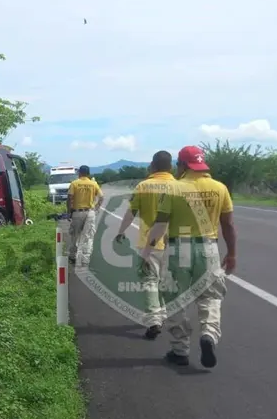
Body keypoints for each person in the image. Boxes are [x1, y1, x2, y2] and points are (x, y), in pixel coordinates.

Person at [140, 145, 237, 368]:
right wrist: (232, 253)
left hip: (179, 248)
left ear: (183, 165)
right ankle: (209, 334)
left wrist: (147, 252)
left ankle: (180, 349)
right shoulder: (220, 188)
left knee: (175, 298)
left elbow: (160, 225)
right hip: (208, 248)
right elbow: (229, 225)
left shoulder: (173, 189)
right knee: (210, 297)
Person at [115, 151, 176, 340]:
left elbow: (131, 212)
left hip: (149, 242)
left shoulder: (143, 186)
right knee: (165, 280)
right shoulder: (179, 186)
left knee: (150, 280)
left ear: (152, 166)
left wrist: (121, 231)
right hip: (175, 242)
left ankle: (154, 321)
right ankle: (163, 314)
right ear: (171, 167)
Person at [67, 165, 103, 265]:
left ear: (79, 172)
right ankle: (85, 258)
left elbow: (69, 198)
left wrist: (69, 212)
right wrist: (96, 208)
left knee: (75, 235)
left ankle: (73, 256)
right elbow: (101, 197)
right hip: (90, 212)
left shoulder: (74, 183)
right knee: (88, 236)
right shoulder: (93, 184)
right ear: (88, 173)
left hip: (77, 212)